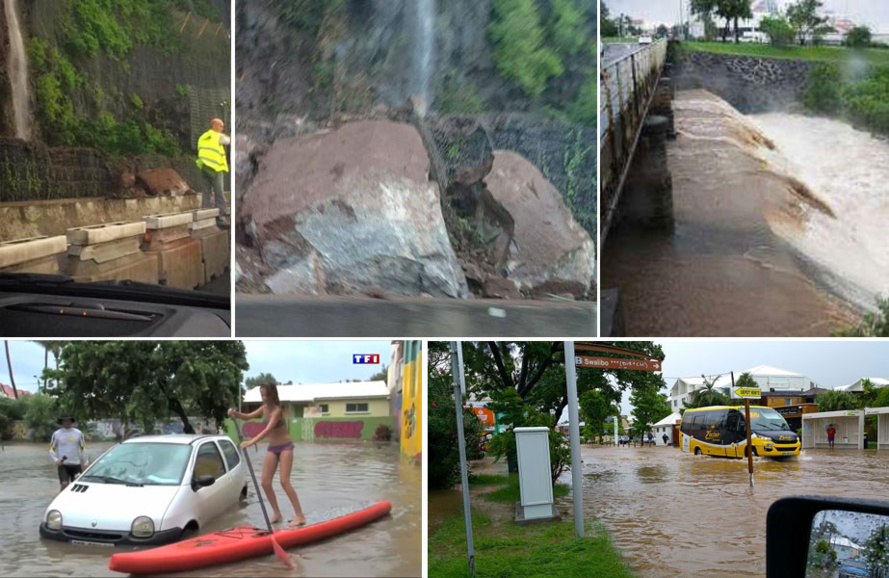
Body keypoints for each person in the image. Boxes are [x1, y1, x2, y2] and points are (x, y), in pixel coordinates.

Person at [228, 383, 306, 527]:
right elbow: (246, 417)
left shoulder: (277, 411)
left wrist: (250, 442)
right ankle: (277, 513)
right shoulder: (263, 409)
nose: (264, 398)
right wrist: (235, 414)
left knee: (284, 481)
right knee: (265, 482)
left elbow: (268, 430)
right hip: (273, 448)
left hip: (285, 448)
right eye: (262, 395)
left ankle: (300, 516)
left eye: (266, 395)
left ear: (273, 395)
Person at [195, 118, 230, 223]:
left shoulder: (203, 137)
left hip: (205, 168)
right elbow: (228, 141)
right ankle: (222, 216)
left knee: (206, 191)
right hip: (216, 168)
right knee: (219, 191)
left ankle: (206, 214)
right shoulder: (217, 136)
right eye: (221, 126)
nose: (222, 129)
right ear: (215, 126)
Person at [50, 415, 87, 492]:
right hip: (63, 464)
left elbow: (83, 448)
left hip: (76, 464)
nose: (67, 422)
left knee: (77, 486)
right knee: (64, 483)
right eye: (64, 421)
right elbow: (51, 449)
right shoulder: (56, 434)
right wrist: (56, 460)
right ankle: (59, 501)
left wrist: (86, 462)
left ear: (71, 421)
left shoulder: (78, 433)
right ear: (62, 422)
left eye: (68, 420)